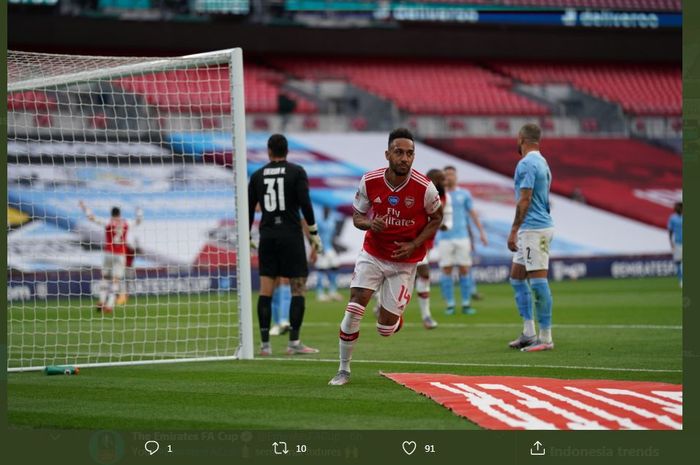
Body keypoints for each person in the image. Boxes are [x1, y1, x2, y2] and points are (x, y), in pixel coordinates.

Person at [328, 128, 443, 386]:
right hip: (373, 253)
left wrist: (414, 243)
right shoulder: (369, 181)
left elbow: (437, 217)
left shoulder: (425, 187)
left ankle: (393, 316)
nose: (405, 158)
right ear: (387, 154)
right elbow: (358, 215)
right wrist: (369, 224)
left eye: (410, 153)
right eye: (399, 152)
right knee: (355, 305)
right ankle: (343, 369)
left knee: (385, 329)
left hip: (405, 261)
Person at [248, 133, 323, 356]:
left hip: (268, 236)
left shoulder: (258, 175)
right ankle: (294, 343)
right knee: (298, 289)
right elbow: (305, 205)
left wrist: (248, 234)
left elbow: (250, 208)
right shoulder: (297, 172)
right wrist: (313, 233)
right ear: (287, 151)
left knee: (265, 290)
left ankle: (264, 346)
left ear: (269, 151)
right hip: (291, 236)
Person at [507, 123, 555, 352]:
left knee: (537, 281)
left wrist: (514, 229)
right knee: (517, 278)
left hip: (534, 229)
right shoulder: (542, 161)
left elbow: (524, 199)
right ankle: (528, 332)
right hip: (534, 227)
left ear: (521, 138)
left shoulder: (526, 163)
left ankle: (545, 338)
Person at [437, 166, 488, 315]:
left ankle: (466, 304)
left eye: (451, 174)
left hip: (462, 237)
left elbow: (472, 214)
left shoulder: (464, 194)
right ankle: (450, 304)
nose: (449, 177)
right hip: (444, 238)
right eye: (446, 175)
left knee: (464, 269)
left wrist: (482, 233)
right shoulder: (439, 195)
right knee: (446, 270)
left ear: (456, 176)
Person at [79, 201, 142, 313]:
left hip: (108, 253)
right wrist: (139, 211)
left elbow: (91, 217)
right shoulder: (126, 222)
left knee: (105, 278)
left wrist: (85, 207)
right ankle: (109, 305)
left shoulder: (108, 222)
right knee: (115, 281)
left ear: (111, 213)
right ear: (120, 214)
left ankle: (101, 300)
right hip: (120, 254)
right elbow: (138, 221)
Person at [414, 168, 453, 329]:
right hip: (411, 240)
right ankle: (426, 317)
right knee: (424, 273)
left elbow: (449, 219)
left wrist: (444, 226)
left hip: (426, 242)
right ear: (434, 181)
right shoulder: (420, 193)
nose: (446, 182)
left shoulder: (445, 197)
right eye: (442, 180)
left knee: (409, 277)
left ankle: (381, 302)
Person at [315, 206, 343, 302]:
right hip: (321, 249)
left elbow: (333, 235)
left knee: (334, 267)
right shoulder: (319, 222)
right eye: (325, 209)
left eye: (328, 209)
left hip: (330, 248)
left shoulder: (331, 221)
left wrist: (335, 247)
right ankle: (320, 293)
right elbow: (316, 236)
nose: (327, 211)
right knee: (321, 269)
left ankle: (332, 291)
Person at [667, 201, 683, 288]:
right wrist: (671, 242)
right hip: (678, 243)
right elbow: (670, 231)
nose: (676, 208)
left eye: (677, 207)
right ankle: (681, 280)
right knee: (678, 262)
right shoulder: (672, 218)